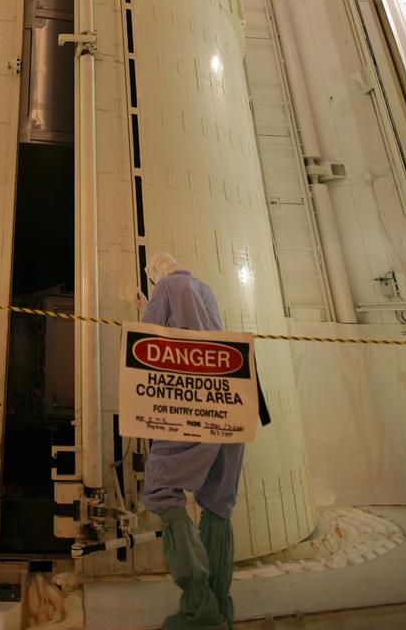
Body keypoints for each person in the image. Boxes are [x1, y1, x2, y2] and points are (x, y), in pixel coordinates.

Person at [141, 253, 244, 630]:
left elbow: (149, 341)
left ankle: (198, 605)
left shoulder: (166, 288)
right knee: (218, 503)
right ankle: (219, 602)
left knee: (162, 489)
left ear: (155, 275)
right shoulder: (208, 290)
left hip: (191, 405)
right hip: (230, 403)